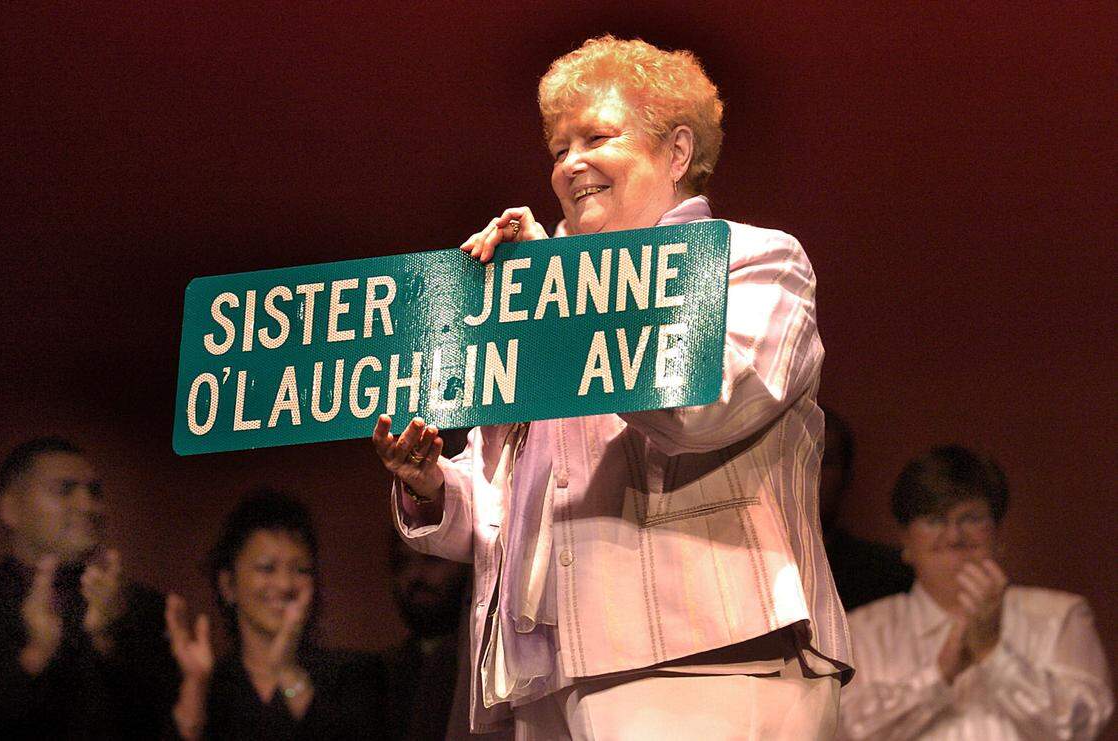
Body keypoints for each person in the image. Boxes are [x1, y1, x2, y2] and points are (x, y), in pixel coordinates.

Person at [373, 35, 850, 739]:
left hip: (708, 663)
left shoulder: (754, 262)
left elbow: (702, 404)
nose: (571, 165)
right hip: (544, 685)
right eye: (559, 149)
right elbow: (506, 507)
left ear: (678, 153)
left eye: (597, 136)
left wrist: (560, 293)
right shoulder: (532, 293)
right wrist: (432, 484)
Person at [838, 445, 1113, 740]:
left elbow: (1084, 726)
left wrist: (993, 654)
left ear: (999, 534)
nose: (954, 536)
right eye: (935, 520)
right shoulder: (860, 629)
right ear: (905, 540)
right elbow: (842, 730)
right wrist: (939, 675)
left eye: (971, 518)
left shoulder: (1061, 615)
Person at [0, 436, 178, 738]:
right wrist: (34, 657)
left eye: (94, 492)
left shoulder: (145, 608)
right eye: (64, 489)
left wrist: (106, 640)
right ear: (10, 508)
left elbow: (167, 724)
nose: (89, 505)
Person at [165, 489, 385, 739]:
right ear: (228, 586)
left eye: (300, 570)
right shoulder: (211, 685)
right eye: (267, 568)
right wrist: (195, 684)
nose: (285, 585)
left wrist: (287, 671)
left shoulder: (352, 674)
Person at [820, 407, 914, 611]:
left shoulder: (886, 573)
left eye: (824, 461)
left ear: (845, 477)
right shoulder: (745, 566)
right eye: (799, 461)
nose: (811, 474)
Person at [383, 531, 473, 740]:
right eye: (402, 562)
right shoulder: (382, 673)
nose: (415, 575)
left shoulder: (485, 668)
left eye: (432, 559)